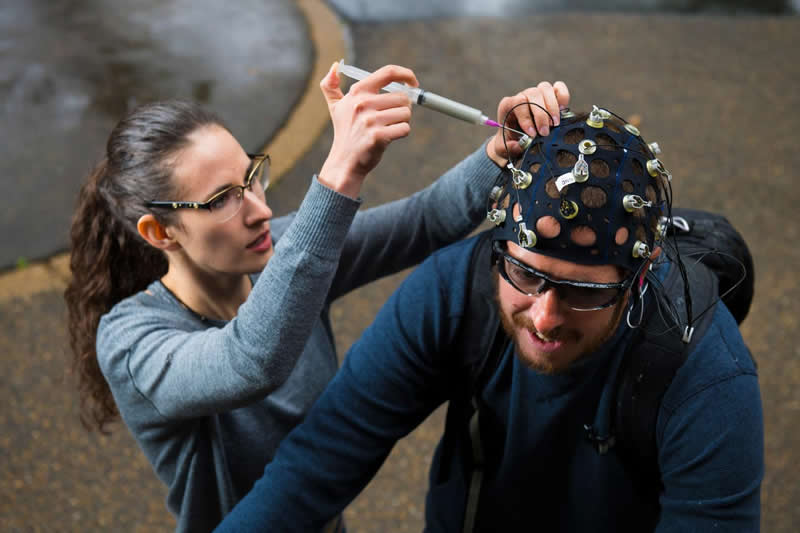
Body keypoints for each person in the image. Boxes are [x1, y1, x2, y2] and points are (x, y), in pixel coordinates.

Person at [64, 59, 570, 532]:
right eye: (222, 200)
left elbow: (425, 221)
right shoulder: (130, 342)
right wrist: (340, 174)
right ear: (159, 232)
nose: (259, 210)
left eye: (251, 177)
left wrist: (503, 150)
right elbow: (251, 360)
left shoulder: (281, 254)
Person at [214, 106, 764, 532]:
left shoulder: (708, 377)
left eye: (580, 291)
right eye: (525, 275)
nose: (544, 316)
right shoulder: (453, 290)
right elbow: (318, 462)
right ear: (500, 245)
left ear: (638, 277)